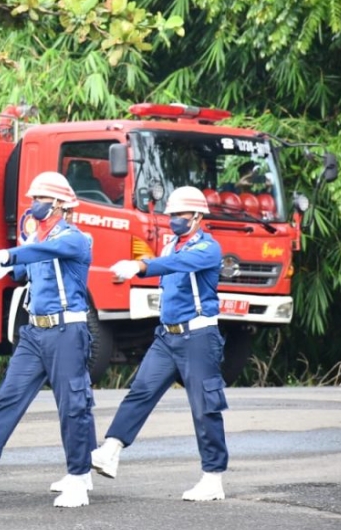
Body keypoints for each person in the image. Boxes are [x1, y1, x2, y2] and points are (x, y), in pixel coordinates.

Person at [0, 171, 95, 508]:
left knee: (72, 406)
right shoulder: (37, 240)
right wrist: (7, 270)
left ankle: (78, 478)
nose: (33, 205)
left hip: (65, 331)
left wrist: (7, 256)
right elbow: (28, 268)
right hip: (34, 332)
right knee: (8, 397)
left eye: (40, 199)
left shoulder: (74, 238)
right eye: (33, 199)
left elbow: (43, 252)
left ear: (58, 204)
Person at [94, 186, 228, 501]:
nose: (174, 220)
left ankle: (213, 477)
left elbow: (176, 265)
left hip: (198, 336)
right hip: (167, 336)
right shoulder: (171, 244)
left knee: (204, 407)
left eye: (180, 215)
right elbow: (166, 262)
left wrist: (140, 266)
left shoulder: (208, 248)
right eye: (171, 214)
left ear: (197, 217)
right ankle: (111, 450)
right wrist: (140, 265)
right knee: (141, 391)